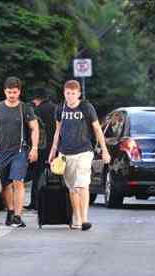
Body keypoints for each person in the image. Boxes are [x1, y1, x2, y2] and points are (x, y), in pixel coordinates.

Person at [48, 80, 110, 231]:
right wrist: (53, 151)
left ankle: (84, 219)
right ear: (64, 93)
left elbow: (97, 129)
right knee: (72, 189)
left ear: (79, 94)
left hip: (84, 151)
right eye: (68, 93)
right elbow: (58, 131)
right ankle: (77, 217)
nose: (70, 96)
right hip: (64, 153)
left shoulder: (86, 107)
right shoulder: (60, 108)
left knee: (82, 184)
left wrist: (105, 150)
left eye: (73, 93)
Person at [0, 77, 39, 227]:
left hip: (20, 151)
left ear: (19, 92)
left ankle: (18, 216)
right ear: (4, 91)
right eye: (9, 92)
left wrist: (34, 148)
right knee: (5, 185)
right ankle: (10, 211)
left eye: (14, 92)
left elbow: (34, 128)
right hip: (2, 151)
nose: (12, 95)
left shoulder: (25, 108)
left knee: (18, 181)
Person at [25, 88, 57, 210]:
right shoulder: (55, 109)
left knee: (37, 175)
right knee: (53, 176)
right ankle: (51, 203)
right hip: (53, 147)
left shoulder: (35, 111)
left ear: (36, 99)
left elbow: (30, 129)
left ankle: (36, 203)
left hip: (39, 147)